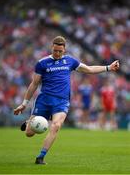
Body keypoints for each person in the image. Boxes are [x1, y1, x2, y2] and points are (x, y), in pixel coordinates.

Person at [14, 36, 119, 165]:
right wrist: (24, 104)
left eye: (60, 51)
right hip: (44, 100)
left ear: (64, 50)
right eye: (55, 51)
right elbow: (34, 84)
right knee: (29, 133)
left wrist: (108, 67)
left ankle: (40, 157)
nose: (57, 53)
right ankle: (29, 121)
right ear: (52, 47)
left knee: (56, 125)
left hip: (62, 101)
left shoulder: (70, 61)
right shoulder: (42, 63)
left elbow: (89, 69)